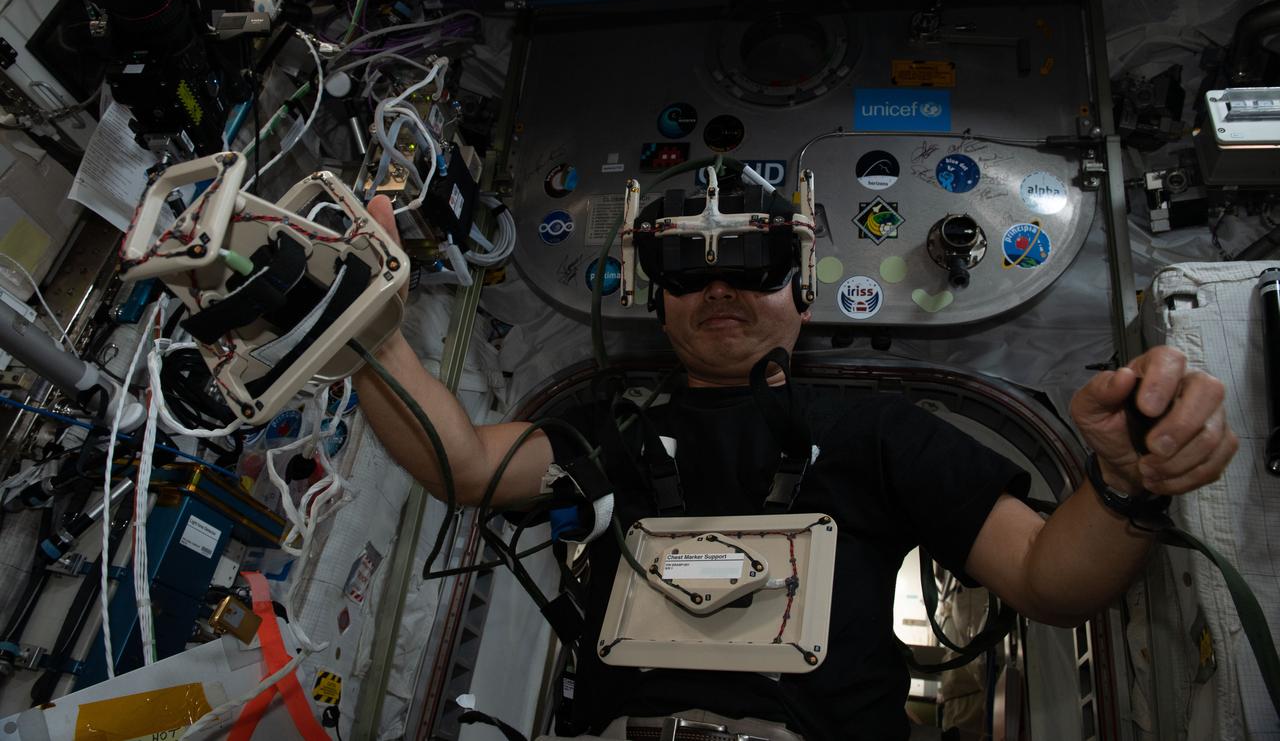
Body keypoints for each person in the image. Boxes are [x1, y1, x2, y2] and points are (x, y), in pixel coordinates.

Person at [353, 194, 1238, 741]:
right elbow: (464, 464)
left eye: (753, 265)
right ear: (656, 301)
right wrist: (370, 332)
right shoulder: (611, 429)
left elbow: (1050, 580)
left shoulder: (881, 431)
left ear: (802, 291)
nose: (722, 290)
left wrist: (1121, 479)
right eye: (689, 273)